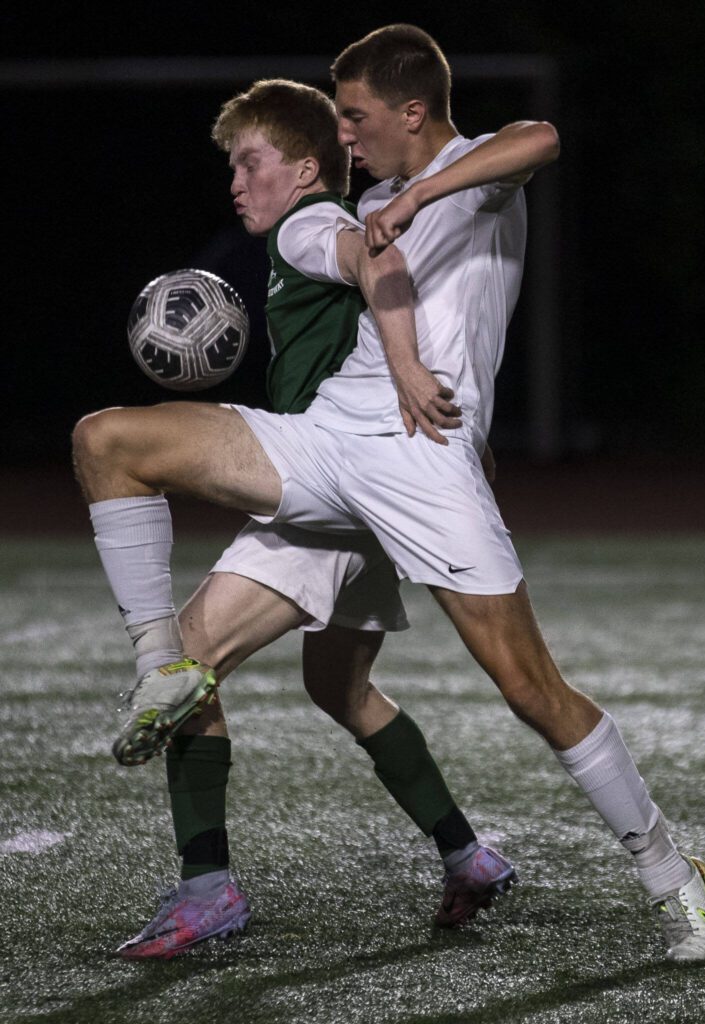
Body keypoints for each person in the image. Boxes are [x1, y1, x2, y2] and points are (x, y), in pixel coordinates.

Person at [72, 26, 705, 964]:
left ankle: (670, 871)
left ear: (410, 111)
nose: (345, 134)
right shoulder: (359, 205)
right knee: (107, 439)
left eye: (355, 115)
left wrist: (416, 209)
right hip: (333, 441)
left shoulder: (470, 174)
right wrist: (385, 235)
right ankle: (171, 709)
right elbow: (366, 268)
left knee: (529, 690)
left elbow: (537, 136)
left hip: (426, 460)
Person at [79, 78, 514, 959]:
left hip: (333, 495)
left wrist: (393, 362)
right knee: (339, 688)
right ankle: (468, 856)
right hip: (378, 500)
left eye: (250, 163)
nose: (236, 183)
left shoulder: (308, 224)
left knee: (184, 662)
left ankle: (206, 893)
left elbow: (362, 255)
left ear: (306, 168)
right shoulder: (312, 236)